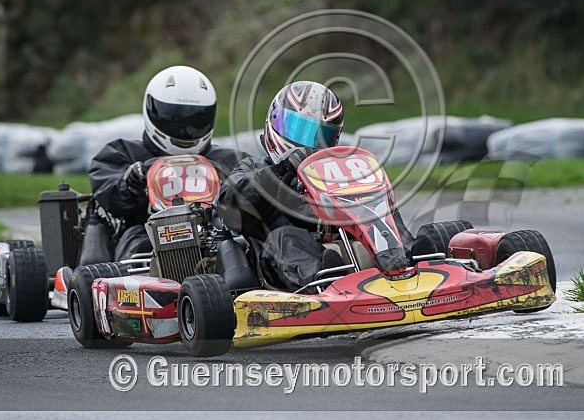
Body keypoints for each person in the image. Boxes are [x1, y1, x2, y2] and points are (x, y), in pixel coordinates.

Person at [217, 80, 415, 291]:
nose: (307, 142)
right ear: (274, 122)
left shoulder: (337, 171)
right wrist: (282, 170)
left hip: (347, 244)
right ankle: (327, 281)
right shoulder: (254, 168)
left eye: (321, 135)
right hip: (288, 268)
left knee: (379, 206)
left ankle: (411, 256)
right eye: (299, 129)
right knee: (286, 237)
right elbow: (229, 204)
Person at [88, 65, 244, 262]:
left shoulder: (230, 161)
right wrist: (130, 183)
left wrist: (228, 182)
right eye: (174, 118)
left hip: (220, 238)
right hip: (146, 238)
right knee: (135, 241)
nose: (185, 129)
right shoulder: (122, 154)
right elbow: (109, 194)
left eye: (195, 119)